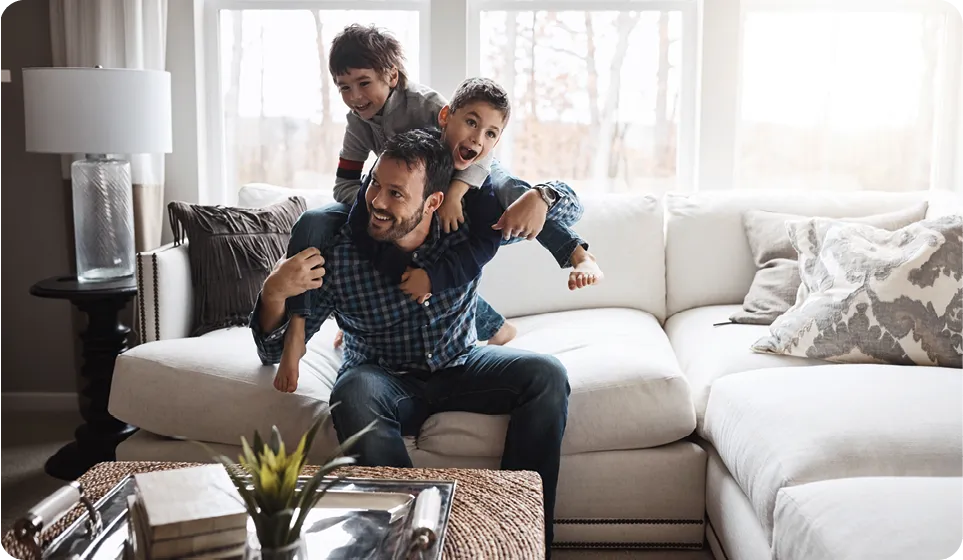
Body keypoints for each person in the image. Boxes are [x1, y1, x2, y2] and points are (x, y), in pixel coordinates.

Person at [250, 129, 570, 553]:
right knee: (353, 390)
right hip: (384, 378)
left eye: (396, 194)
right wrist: (273, 291)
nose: (378, 202)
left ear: (433, 202)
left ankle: (520, 536)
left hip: (462, 363)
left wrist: (543, 195)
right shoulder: (340, 253)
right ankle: (410, 543)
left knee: (547, 374)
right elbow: (272, 352)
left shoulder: (466, 228)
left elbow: (569, 210)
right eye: (375, 186)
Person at [278, 24, 604, 362]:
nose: (354, 96)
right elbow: (344, 184)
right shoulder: (358, 122)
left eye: (363, 83)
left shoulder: (427, 106)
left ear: (391, 76)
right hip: (411, 201)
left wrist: (455, 193)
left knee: (513, 194)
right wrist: (379, 198)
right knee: (316, 221)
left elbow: (476, 146)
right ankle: (491, 327)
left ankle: (577, 253)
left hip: (468, 173)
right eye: (344, 87)